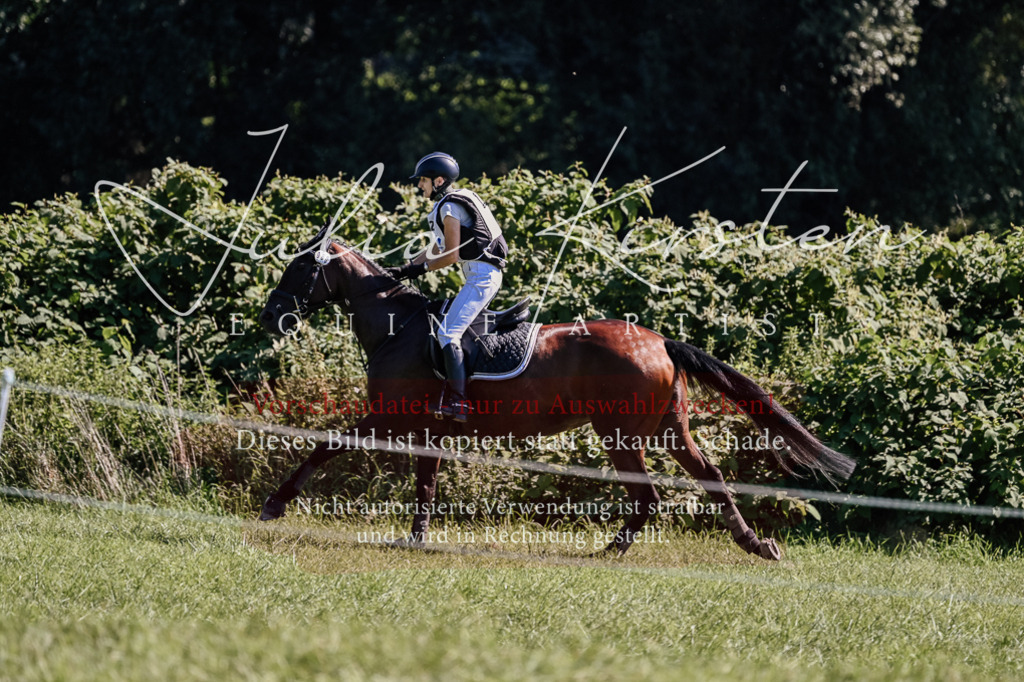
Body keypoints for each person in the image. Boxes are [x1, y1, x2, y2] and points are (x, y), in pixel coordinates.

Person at [386, 152, 509, 422]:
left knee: (447, 334)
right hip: (479, 274)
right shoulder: (454, 200)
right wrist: (405, 268)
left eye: (423, 180)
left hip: (482, 276)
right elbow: (438, 247)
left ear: (439, 180)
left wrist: (420, 268)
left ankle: (459, 401)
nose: (420, 186)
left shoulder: (449, 207)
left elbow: (451, 255)